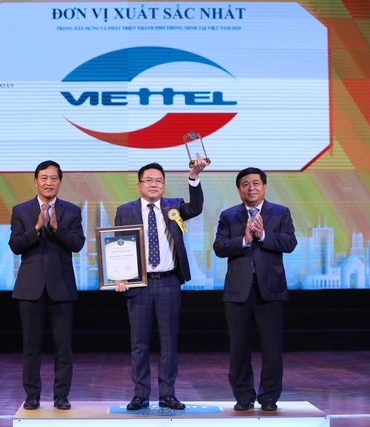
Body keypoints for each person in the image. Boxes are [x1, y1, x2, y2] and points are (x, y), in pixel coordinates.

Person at [114, 158, 207, 410]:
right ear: (139, 185)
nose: (154, 184)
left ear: (164, 185)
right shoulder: (125, 211)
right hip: (139, 284)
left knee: (169, 342)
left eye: (159, 181)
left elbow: (196, 208)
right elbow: (117, 246)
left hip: (168, 282)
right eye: (149, 180)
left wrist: (193, 177)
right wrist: (119, 275)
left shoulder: (174, 206)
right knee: (139, 343)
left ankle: (167, 394)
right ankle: (140, 394)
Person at [213, 167, 297, 412]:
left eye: (256, 183)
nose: (251, 188)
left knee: (271, 349)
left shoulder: (280, 212)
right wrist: (244, 241)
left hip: (269, 291)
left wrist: (262, 236)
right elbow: (219, 247)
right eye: (245, 184)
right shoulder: (229, 215)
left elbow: (290, 242)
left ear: (265, 187)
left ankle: (269, 396)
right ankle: (243, 396)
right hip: (237, 292)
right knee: (239, 348)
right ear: (239, 189)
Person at [8, 160, 85, 411]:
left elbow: (77, 244)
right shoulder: (21, 210)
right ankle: (32, 395)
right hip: (30, 289)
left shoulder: (71, 211)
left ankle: (61, 395)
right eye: (44, 178)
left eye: (53, 178)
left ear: (60, 182)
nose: (48, 182)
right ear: (35, 181)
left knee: (64, 347)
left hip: (61, 288)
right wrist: (37, 228)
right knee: (31, 347)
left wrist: (56, 228)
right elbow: (15, 245)